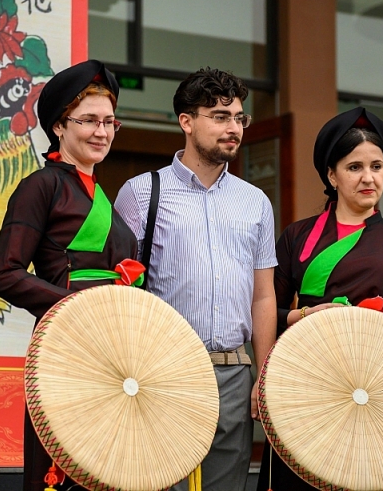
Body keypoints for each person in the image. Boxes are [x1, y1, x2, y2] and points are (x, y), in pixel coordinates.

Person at [256, 107, 383, 491]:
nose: (368, 178)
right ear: (332, 175)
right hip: (308, 388)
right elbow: (264, 311)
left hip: (380, 389)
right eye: (354, 167)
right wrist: (303, 316)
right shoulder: (298, 237)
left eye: (377, 166)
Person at [115, 67, 278, 491]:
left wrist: (265, 373)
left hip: (235, 373)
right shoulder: (141, 193)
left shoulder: (255, 201)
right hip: (163, 371)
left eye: (239, 117)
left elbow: (263, 296)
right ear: (187, 122)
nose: (233, 128)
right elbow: (120, 292)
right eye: (220, 116)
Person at [0, 60, 144, 491]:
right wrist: (73, 306)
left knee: (112, 470)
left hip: (115, 351)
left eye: (110, 122)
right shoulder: (41, 186)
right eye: (89, 120)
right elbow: (4, 273)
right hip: (68, 346)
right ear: (59, 126)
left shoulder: (99, 195)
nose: (102, 131)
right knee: (66, 471)